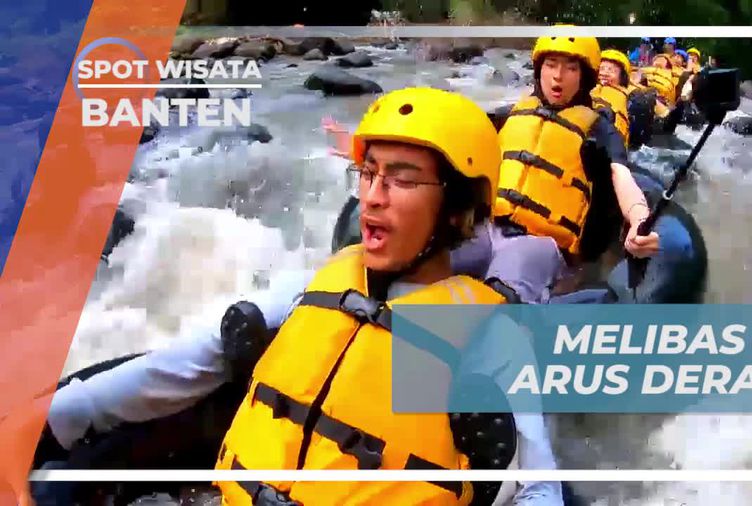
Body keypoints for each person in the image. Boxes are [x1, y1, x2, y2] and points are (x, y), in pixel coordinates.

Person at [33, 88, 566, 505]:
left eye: (401, 180)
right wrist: (47, 421)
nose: (372, 198)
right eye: (368, 173)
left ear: (457, 209)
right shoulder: (316, 285)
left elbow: (540, 488)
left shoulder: (488, 335)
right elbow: (188, 363)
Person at [450, 29, 660, 305]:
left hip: (541, 242)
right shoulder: (517, 111)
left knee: (502, 294)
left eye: (570, 68)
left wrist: (639, 220)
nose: (558, 76)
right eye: (551, 65)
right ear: (539, 70)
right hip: (487, 228)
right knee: (429, 260)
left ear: (585, 76)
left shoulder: (599, 129)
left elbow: (620, 175)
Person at [591, 49, 633, 146]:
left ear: (622, 77)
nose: (604, 73)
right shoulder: (586, 87)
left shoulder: (627, 95)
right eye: (601, 69)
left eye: (611, 70)